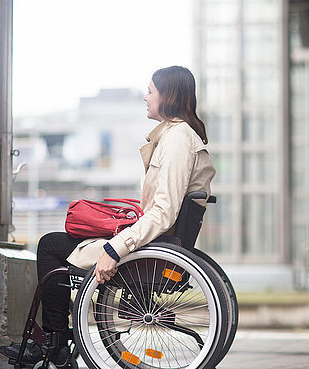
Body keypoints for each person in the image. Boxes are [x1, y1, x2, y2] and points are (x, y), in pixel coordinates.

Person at [17, 65, 216, 366]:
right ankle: (55, 339)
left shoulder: (177, 140)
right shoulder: (178, 137)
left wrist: (114, 248)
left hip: (152, 250)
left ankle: (54, 342)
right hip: (158, 242)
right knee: (63, 238)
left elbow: (163, 212)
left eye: (150, 91)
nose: (146, 97)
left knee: (50, 246)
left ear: (169, 96)